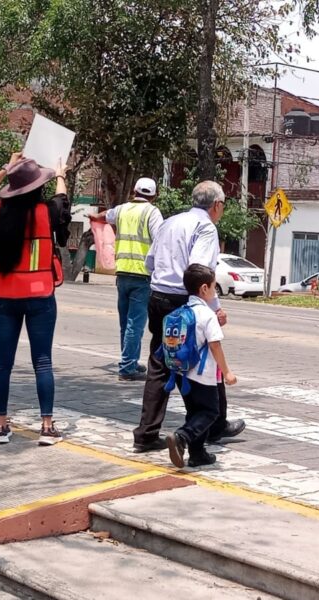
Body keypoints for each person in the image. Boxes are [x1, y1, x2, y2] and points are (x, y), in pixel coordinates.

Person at [132, 180, 245, 453]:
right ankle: (210, 425)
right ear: (216, 205)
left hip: (158, 296)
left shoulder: (170, 222)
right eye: (223, 205)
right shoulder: (205, 227)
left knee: (159, 362)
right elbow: (199, 272)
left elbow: (150, 262)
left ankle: (146, 433)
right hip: (184, 300)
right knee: (203, 362)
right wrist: (212, 307)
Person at [0, 152, 71, 446]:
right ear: (38, 187)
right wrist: (61, 174)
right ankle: (46, 426)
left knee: (3, 364)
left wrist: (6, 167)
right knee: (43, 362)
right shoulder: (46, 212)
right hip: (40, 296)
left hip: (3, 296)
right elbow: (62, 202)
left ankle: (1, 426)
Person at [89, 178, 163, 381]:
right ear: (154, 195)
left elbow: (106, 216)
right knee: (135, 324)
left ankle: (129, 360)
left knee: (126, 322)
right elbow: (160, 238)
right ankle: (128, 367)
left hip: (122, 273)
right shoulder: (152, 212)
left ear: (134, 191)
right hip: (142, 274)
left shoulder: (121, 210)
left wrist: (95, 216)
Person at [166, 264, 238, 468]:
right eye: (214, 287)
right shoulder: (207, 315)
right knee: (210, 412)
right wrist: (227, 372)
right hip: (202, 374)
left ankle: (197, 454)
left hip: (181, 372)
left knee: (194, 412)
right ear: (204, 288)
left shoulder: (181, 310)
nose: (214, 292)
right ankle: (182, 436)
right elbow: (215, 345)